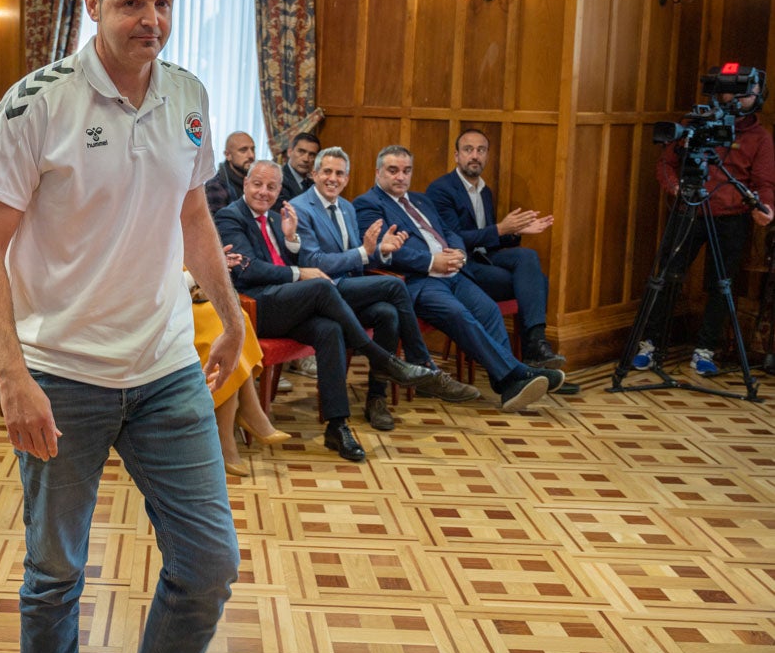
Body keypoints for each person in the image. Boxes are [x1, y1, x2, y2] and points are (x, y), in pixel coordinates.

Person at [0, 0, 242, 653]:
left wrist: (231, 315)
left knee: (209, 565)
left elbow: (192, 215)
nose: (150, 19)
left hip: (166, 370)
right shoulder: (36, 103)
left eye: (162, 4)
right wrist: (11, 376)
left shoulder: (187, 94)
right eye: (130, 3)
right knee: (54, 577)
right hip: (61, 378)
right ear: (91, 6)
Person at [216, 160, 436, 456]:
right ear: (245, 185)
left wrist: (292, 240)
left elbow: (291, 259)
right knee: (320, 285)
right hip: (258, 308)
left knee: (329, 329)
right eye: (257, 185)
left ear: (280, 190)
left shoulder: (278, 218)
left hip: (289, 302)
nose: (263, 192)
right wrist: (299, 273)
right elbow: (248, 270)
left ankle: (337, 426)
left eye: (271, 187)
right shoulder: (229, 217)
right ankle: (381, 358)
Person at [354, 145, 572, 411]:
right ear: (378, 172)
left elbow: (449, 230)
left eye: (406, 171)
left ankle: (508, 383)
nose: (401, 177)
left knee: (490, 311)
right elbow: (379, 250)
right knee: (460, 315)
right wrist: (432, 261)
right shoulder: (368, 204)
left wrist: (457, 251)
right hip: (418, 282)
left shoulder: (421, 200)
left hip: (454, 274)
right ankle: (515, 375)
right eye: (393, 170)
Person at [289, 147, 478, 431]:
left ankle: (376, 399)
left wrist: (383, 251)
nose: (333, 178)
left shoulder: (347, 207)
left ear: (347, 178)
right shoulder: (300, 208)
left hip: (350, 289)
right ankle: (422, 363)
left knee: (388, 314)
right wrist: (366, 253)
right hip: (321, 292)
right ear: (314, 174)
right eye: (326, 171)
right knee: (393, 285)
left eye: (339, 173)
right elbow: (313, 261)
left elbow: (362, 256)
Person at [635, 72, 775, 374]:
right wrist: (675, 187)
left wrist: (767, 208)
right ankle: (650, 343)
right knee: (667, 276)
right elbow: (666, 163)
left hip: (731, 218)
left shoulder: (760, 137)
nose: (739, 98)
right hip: (689, 211)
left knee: (720, 284)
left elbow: (765, 183)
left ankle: (705, 350)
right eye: (732, 91)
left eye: (747, 92)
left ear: (758, 96)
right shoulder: (695, 124)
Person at [426, 129, 563, 368]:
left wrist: (515, 232)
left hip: (486, 258)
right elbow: (453, 238)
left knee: (527, 256)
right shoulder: (441, 190)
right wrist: (500, 229)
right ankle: (531, 350)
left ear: (488, 156)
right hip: (463, 266)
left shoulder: (484, 191)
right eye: (468, 150)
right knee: (537, 282)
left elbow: (487, 239)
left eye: (481, 150)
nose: (475, 156)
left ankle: (534, 346)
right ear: (456, 156)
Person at [190, 250, 288, 477]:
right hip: (162, 308)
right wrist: (200, 273)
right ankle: (248, 415)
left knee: (234, 319)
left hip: (192, 298)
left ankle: (230, 437)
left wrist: (211, 264)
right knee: (224, 324)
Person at [206, 131, 255, 216]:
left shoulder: (256, 182)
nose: (251, 155)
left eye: (253, 149)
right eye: (243, 150)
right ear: (228, 155)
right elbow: (219, 225)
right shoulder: (216, 186)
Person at [278, 131, 320, 206]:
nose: (306, 159)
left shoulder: (314, 185)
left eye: (312, 155)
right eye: (301, 152)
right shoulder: (277, 179)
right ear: (289, 152)